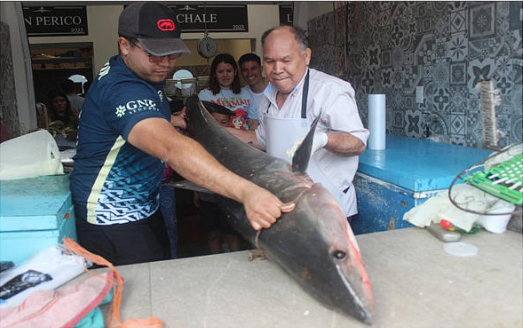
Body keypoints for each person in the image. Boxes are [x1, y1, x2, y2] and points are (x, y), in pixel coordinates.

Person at [69, 2, 293, 266]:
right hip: (113, 217)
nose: (166, 64)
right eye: (155, 54)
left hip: (144, 206)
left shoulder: (144, 73)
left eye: (172, 54)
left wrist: (174, 119)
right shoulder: (122, 89)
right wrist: (247, 192)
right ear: (125, 45)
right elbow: (171, 148)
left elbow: (140, 120)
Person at [227, 25, 369, 221]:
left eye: (286, 60)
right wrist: (215, 130)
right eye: (269, 61)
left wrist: (322, 140)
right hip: (285, 206)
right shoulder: (266, 100)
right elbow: (260, 141)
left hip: (328, 210)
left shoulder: (329, 91)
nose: (277, 70)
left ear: (306, 56)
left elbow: (357, 142)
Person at [193, 102, 240, 254]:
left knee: (231, 234)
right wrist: (195, 192)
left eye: (223, 122)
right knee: (213, 234)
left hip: (229, 195)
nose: (219, 126)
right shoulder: (200, 141)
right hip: (207, 195)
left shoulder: (235, 143)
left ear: (230, 123)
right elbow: (195, 169)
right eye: (215, 121)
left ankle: (236, 267)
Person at [198, 53, 254, 130]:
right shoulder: (204, 95)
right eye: (220, 72)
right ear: (214, 73)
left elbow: (253, 122)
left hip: (243, 140)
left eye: (229, 71)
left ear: (235, 72)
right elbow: (199, 123)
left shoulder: (246, 93)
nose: (225, 75)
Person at [238, 53, 269, 130]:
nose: (250, 73)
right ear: (241, 73)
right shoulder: (243, 95)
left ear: (261, 69)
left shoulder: (276, 86)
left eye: (253, 68)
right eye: (245, 70)